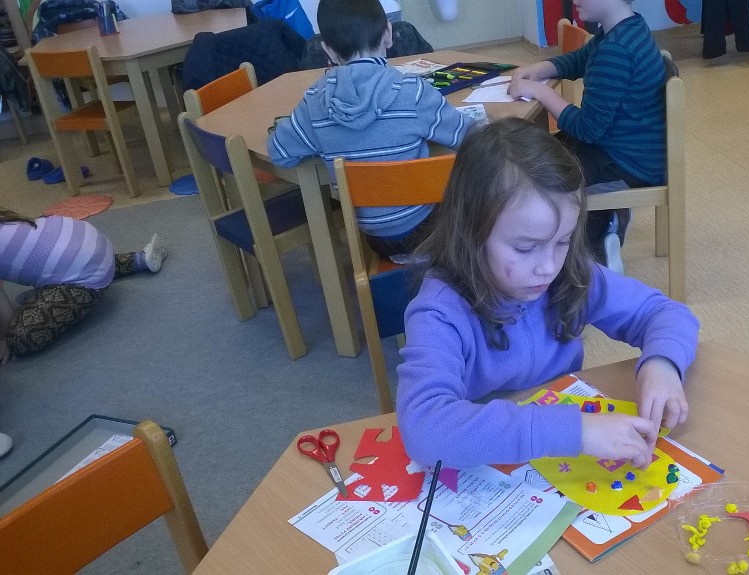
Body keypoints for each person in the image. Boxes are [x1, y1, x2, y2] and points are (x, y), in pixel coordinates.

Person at [396, 118, 699, 469]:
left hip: (559, 457)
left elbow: (665, 313)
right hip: (486, 461)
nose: (548, 266)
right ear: (471, 234)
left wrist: (662, 364)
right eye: (526, 248)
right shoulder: (439, 312)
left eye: (563, 241)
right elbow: (425, 430)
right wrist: (576, 432)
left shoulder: (571, 273)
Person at [268, 0, 470, 262]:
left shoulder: (315, 100)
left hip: (374, 239)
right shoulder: (413, 91)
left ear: (328, 50)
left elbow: (280, 153)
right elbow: (469, 137)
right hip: (429, 227)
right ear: (388, 33)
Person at [507, 0, 668, 273]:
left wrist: (542, 92)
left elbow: (587, 128)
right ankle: (606, 223)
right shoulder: (626, 28)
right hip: (623, 150)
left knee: (542, 177)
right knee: (539, 154)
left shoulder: (616, 50)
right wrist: (542, 69)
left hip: (626, 165)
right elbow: (580, 59)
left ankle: (597, 246)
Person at [0, 209, 168, 364]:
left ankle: (64, 290)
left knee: (18, 339)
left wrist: (4, 338)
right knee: (68, 262)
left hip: (86, 276)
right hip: (90, 242)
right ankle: (138, 260)